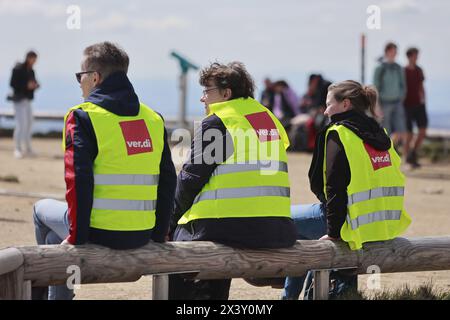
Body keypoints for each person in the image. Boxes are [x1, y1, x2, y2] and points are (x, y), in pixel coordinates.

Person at [32, 42, 176, 300]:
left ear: (95, 77)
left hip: (98, 232)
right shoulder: (153, 118)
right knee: (55, 240)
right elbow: (168, 181)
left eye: (81, 76)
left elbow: (78, 180)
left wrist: (77, 237)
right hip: (142, 233)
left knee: (39, 210)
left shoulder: (83, 117)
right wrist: (158, 234)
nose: (80, 83)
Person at [168, 61, 297, 300]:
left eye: (207, 91)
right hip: (275, 228)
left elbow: (189, 180)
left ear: (226, 94)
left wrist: (170, 223)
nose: (202, 99)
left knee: (174, 251)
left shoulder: (220, 123)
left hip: (230, 227)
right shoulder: (267, 121)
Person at [282, 80, 412, 299]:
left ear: (345, 104)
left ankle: (289, 295)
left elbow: (334, 188)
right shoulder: (382, 135)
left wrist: (333, 234)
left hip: (348, 224)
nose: (325, 110)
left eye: (329, 104)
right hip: (381, 226)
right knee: (308, 241)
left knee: (283, 220)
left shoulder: (340, 133)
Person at [373, 42, 407, 154]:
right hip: (384, 103)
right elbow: (375, 87)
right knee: (386, 131)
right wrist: (377, 105)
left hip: (397, 102)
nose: (395, 53)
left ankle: (392, 151)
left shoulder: (398, 68)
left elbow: (403, 85)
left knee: (401, 130)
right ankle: (387, 153)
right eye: (393, 50)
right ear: (387, 51)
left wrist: (401, 97)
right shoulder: (380, 68)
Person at [8, 50, 40, 158]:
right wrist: (26, 86)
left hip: (27, 100)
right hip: (18, 100)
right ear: (28, 57)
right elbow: (12, 83)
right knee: (21, 125)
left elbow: (34, 83)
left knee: (30, 123)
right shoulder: (17, 69)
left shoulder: (31, 71)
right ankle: (17, 148)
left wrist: (35, 86)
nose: (34, 61)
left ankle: (27, 148)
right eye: (33, 59)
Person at [403, 47, 427, 168]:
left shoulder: (419, 70)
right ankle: (406, 160)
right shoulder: (403, 71)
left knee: (422, 131)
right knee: (409, 134)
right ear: (409, 56)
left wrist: (424, 101)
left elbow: (421, 86)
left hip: (419, 105)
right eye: (415, 55)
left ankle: (412, 154)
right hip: (406, 105)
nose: (417, 57)